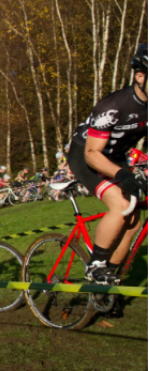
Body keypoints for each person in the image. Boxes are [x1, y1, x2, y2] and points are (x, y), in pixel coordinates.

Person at [67, 44, 147, 285]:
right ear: (140, 76)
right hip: (87, 155)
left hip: (116, 156)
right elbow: (93, 153)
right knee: (122, 204)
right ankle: (95, 265)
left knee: (134, 219)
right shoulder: (113, 106)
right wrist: (122, 173)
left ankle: (109, 278)